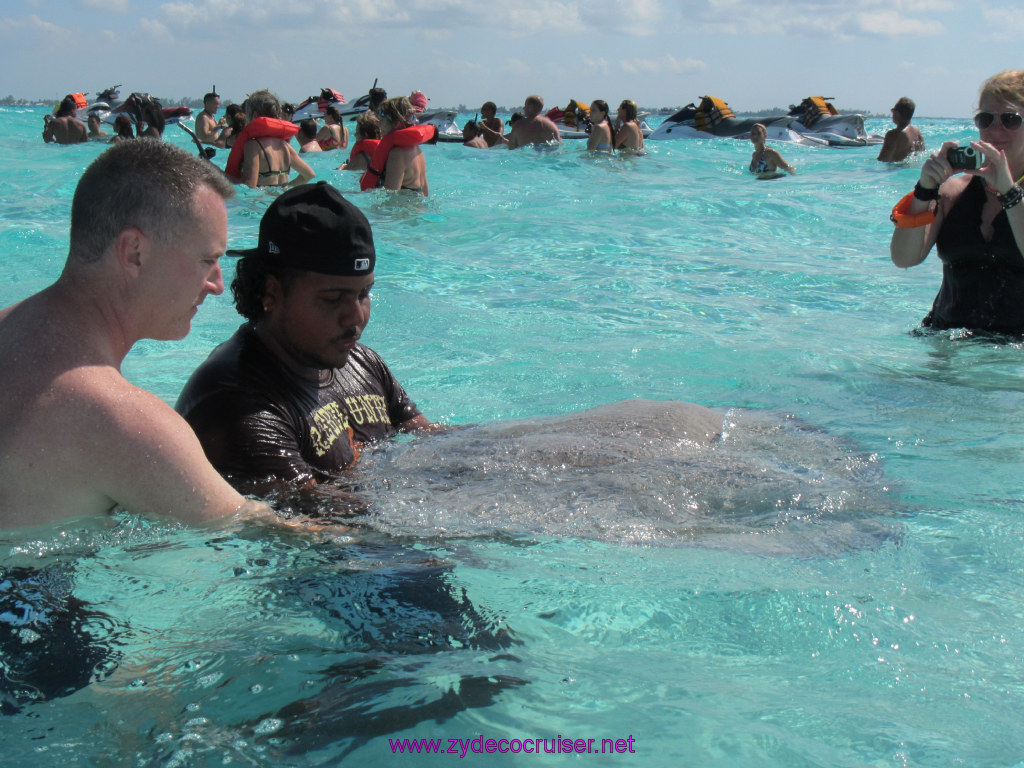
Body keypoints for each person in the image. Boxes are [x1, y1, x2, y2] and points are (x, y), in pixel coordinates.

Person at [0, 140, 267, 529]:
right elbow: (267, 535)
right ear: (135, 253)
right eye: (207, 260)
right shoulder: (122, 421)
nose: (217, 284)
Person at [176, 182, 439, 498]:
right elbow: (318, 526)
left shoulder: (360, 360)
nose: (356, 318)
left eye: (363, 294)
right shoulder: (238, 404)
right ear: (271, 292)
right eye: (333, 299)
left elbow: (434, 440)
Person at [890, 70, 1024, 335]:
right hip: (947, 338)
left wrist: (1009, 191)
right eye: (986, 119)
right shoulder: (953, 192)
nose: (996, 130)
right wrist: (925, 189)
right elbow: (904, 258)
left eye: (1010, 119)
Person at [224, 89, 315, 189]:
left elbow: (249, 186)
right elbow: (309, 175)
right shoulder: (285, 146)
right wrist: (287, 187)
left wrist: (215, 172)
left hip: (261, 203)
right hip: (281, 201)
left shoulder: (253, 145)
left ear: (254, 115)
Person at [359, 96, 433, 195]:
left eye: (382, 118)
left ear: (396, 123)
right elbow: (425, 192)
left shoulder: (397, 154)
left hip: (405, 209)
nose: (378, 122)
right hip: (416, 208)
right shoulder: (417, 149)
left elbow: (391, 196)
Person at [877, 97, 925, 163]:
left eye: (893, 111)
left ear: (897, 113)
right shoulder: (917, 132)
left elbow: (882, 160)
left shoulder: (893, 135)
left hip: (896, 170)